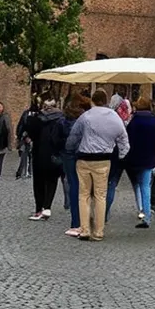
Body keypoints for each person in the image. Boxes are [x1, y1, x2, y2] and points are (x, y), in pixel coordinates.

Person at [65, 88, 130, 242]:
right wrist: (121, 155)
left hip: (84, 159)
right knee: (100, 196)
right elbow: (124, 140)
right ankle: (99, 231)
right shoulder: (114, 118)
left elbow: (74, 136)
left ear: (93, 100)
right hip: (103, 160)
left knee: (84, 195)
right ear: (106, 100)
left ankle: (85, 229)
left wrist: (70, 151)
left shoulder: (85, 116)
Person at [28, 98, 67, 220]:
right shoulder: (61, 119)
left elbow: (30, 132)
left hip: (39, 153)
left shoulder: (38, 119)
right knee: (52, 180)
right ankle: (47, 207)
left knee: (39, 182)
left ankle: (39, 208)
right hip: (54, 154)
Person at [126, 97, 155, 228]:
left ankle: (140, 210)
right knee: (146, 187)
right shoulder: (153, 120)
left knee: (137, 185)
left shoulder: (135, 121)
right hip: (149, 157)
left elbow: (129, 139)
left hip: (135, 158)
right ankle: (147, 217)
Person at [61, 93, 88, 236]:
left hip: (70, 156)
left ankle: (76, 221)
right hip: (85, 155)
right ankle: (87, 220)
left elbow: (62, 139)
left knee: (74, 186)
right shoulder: (86, 119)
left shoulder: (65, 120)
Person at [15, 102, 38, 180]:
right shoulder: (39, 115)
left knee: (26, 156)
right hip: (27, 138)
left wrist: (20, 135)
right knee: (27, 156)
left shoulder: (26, 114)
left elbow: (21, 125)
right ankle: (25, 172)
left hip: (26, 137)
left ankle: (24, 172)